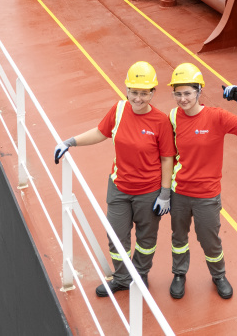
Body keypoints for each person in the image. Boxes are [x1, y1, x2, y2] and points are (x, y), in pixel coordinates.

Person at [53, 61, 175, 297]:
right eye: (133, 92)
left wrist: (165, 194)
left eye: (143, 93)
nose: (137, 98)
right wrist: (70, 142)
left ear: (153, 93)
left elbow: (167, 159)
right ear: (126, 90)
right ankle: (121, 278)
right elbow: (100, 132)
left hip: (148, 192)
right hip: (119, 188)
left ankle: (140, 276)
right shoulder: (119, 110)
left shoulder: (160, 122)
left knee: (145, 239)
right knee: (116, 237)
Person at [166, 63, 237, 300]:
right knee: (179, 237)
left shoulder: (216, 117)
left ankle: (218, 275)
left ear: (199, 91)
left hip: (206, 195)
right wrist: (164, 192)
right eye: (178, 93)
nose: (182, 99)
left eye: (187, 93)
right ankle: (179, 274)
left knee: (210, 240)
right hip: (180, 192)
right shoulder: (174, 116)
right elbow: (169, 154)